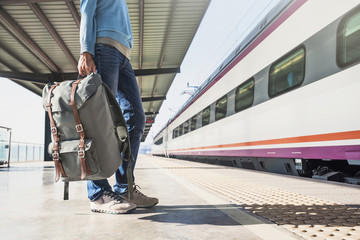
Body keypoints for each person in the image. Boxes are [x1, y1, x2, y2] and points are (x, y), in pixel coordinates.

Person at [77, 0, 158, 214]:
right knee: (99, 121)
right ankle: (98, 194)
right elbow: (87, 9)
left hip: (123, 55)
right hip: (103, 48)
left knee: (136, 117)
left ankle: (124, 188)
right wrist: (86, 50)